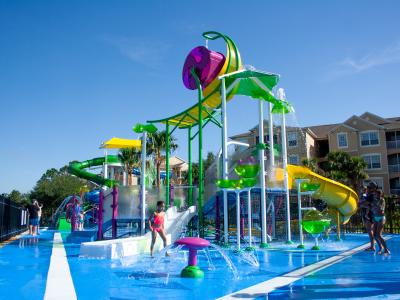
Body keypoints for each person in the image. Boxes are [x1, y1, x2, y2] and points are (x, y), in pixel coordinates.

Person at [371, 190, 390, 255]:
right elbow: (372, 207)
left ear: (380, 194)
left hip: (381, 218)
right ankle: (380, 248)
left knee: (379, 235)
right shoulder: (374, 200)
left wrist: (374, 206)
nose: (376, 195)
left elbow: (380, 209)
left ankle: (386, 250)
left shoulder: (382, 200)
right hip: (375, 218)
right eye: (375, 194)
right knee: (374, 235)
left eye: (378, 194)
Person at [359, 184, 375, 251]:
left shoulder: (370, 196)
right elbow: (362, 204)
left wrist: (361, 204)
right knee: (369, 231)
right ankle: (372, 246)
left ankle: (372, 246)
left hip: (369, 215)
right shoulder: (367, 196)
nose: (366, 190)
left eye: (367, 189)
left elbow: (367, 204)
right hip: (366, 214)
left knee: (370, 230)